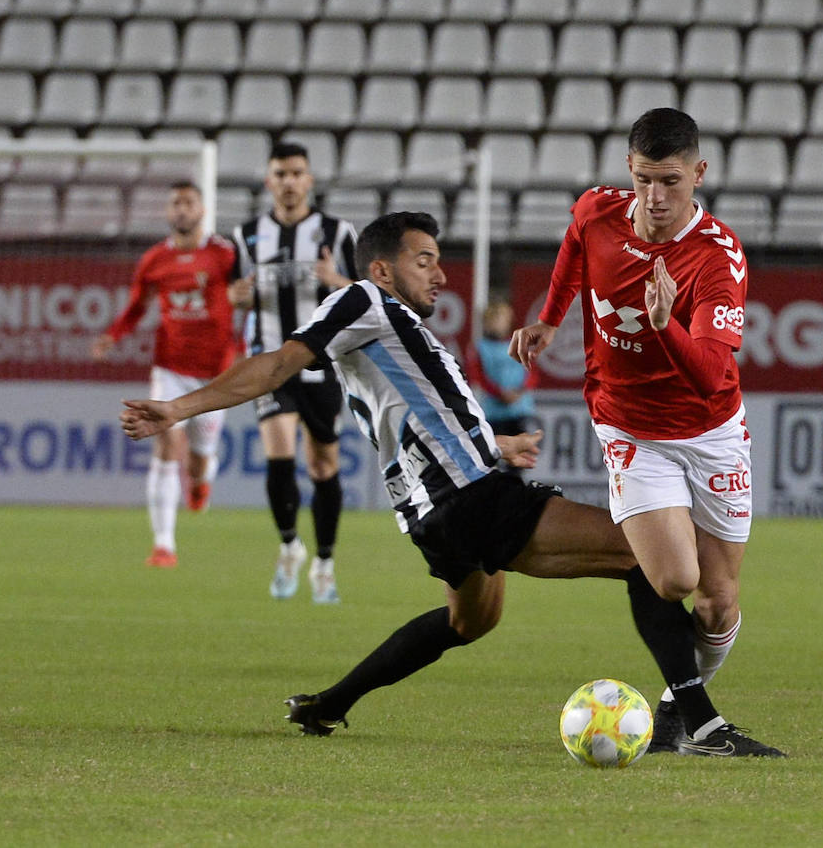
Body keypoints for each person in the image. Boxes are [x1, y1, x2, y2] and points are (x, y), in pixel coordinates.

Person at [124, 211, 783, 757]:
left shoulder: (397, 332)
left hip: (430, 511)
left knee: (470, 620)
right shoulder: (362, 300)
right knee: (650, 559)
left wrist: (493, 443)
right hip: (468, 496)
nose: (440, 274)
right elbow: (275, 365)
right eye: (424, 260)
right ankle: (695, 722)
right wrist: (177, 408)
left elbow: (415, 415)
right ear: (382, 269)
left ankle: (330, 703)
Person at [510, 107, 762, 756]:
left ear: (699, 174)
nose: (655, 196)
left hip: (711, 433)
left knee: (717, 601)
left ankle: (679, 712)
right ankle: (699, 722)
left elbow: (710, 375)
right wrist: (551, 317)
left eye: (670, 181)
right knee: (674, 579)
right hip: (629, 427)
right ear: (629, 168)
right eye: (645, 179)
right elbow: (575, 242)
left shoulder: (717, 258)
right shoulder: (598, 211)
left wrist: (662, 325)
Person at [230, 142, 359, 604]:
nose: (288, 181)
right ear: (269, 181)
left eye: (296, 173)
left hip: (322, 363)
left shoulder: (337, 233)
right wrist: (236, 296)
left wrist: (334, 280)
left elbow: (364, 293)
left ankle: (324, 562)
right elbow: (233, 294)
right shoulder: (246, 235)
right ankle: (289, 546)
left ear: (309, 180)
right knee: (279, 454)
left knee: (323, 465)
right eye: (281, 174)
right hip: (269, 361)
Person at [91, 181, 239, 568]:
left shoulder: (225, 254)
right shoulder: (154, 259)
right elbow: (136, 306)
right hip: (171, 367)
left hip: (215, 373)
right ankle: (163, 546)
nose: (182, 209)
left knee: (199, 459)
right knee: (167, 444)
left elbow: (246, 296)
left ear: (202, 210)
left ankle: (201, 481)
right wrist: (112, 335)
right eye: (176, 203)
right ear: (168, 211)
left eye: (189, 202)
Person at [465, 298, 538, 439]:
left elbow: (532, 372)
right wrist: (499, 393)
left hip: (521, 409)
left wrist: (520, 391)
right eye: (493, 320)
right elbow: (477, 376)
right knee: (497, 448)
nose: (497, 324)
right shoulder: (479, 348)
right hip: (494, 412)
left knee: (523, 449)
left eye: (501, 319)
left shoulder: (520, 344)